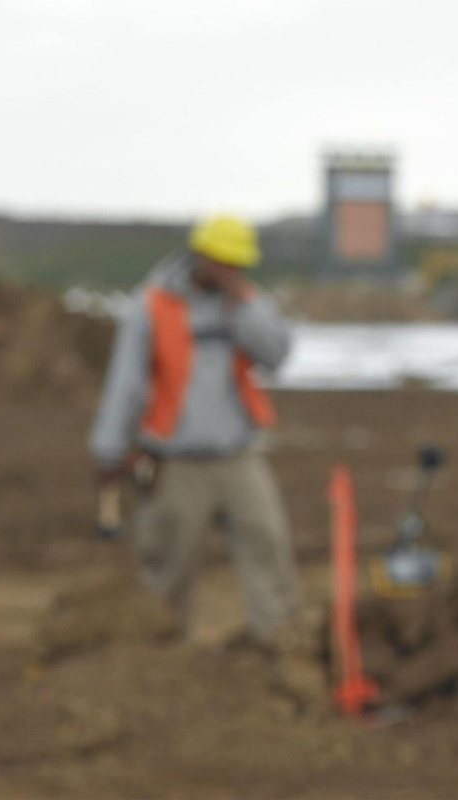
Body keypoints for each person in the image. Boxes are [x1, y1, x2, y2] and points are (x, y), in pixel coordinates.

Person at [89, 214, 301, 647]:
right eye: (222, 262)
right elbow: (126, 384)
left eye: (237, 264)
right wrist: (108, 450)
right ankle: (161, 653)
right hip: (174, 462)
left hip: (238, 455)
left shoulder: (244, 301)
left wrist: (244, 307)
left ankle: (282, 645)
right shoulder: (151, 305)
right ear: (199, 255)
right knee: (167, 566)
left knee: (268, 548)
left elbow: (276, 356)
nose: (230, 271)